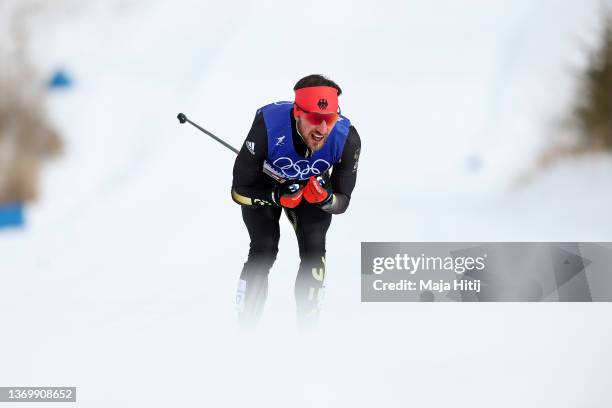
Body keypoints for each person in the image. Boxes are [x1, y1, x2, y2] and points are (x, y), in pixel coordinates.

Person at [231, 74, 361, 327]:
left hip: (311, 187)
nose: (322, 129)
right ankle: (245, 328)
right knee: (264, 249)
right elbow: (239, 191)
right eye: (314, 118)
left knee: (314, 250)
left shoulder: (346, 138)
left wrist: (325, 198)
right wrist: (275, 196)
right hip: (264, 182)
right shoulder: (266, 127)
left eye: (330, 119)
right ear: (297, 113)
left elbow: (343, 202)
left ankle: (308, 330)